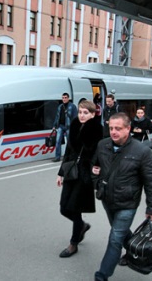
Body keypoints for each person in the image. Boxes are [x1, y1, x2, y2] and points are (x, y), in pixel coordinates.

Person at [91, 112, 152, 281]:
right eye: (111, 128)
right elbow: (94, 166)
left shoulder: (142, 151)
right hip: (107, 199)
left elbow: (151, 181)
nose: (114, 132)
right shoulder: (102, 145)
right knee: (120, 233)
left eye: (118, 129)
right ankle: (135, 252)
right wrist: (97, 183)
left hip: (128, 203)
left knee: (115, 239)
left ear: (128, 129)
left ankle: (102, 276)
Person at [56, 100, 103, 258]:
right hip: (71, 172)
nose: (82, 115)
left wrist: (97, 169)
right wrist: (61, 173)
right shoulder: (75, 125)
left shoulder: (97, 129)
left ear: (92, 114)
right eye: (80, 112)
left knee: (75, 209)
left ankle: (73, 244)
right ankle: (82, 226)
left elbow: (100, 153)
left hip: (84, 175)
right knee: (64, 208)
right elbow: (68, 151)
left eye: (85, 113)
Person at [52, 92, 78, 162]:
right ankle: (57, 157)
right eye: (63, 98)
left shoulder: (72, 106)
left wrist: (74, 127)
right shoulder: (60, 107)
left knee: (69, 142)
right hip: (61, 126)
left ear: (68, 98)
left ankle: (70, 156)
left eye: (65, 98)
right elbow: (57, 117)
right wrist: (54, 125)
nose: (64, 99)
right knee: (58, 141)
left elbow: (75, 117)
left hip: (69, 126)